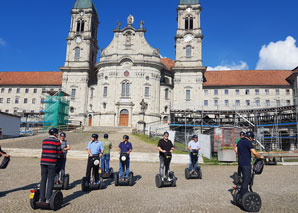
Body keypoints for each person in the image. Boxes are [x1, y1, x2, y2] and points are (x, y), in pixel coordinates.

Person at [236, 131, 263, 199]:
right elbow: (254, 152)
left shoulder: (240, 141)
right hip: (246, 164)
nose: (252, 140)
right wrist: (260, 156)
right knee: (246, 179)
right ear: (250, 138)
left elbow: (236, 150)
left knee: (243, 178)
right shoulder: (248, 142)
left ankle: (242, 192)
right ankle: (243, 196)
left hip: (240, 163)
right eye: (252, 139)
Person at [40, 128, 62, 203]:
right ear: (55, 134)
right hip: (52, 163)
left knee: (43, 179)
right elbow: (59, 153)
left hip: (43, 162)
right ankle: (48, 198)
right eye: (57, 133)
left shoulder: (44, 141)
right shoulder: (57, 141)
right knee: (50, 180)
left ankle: (41, 198)